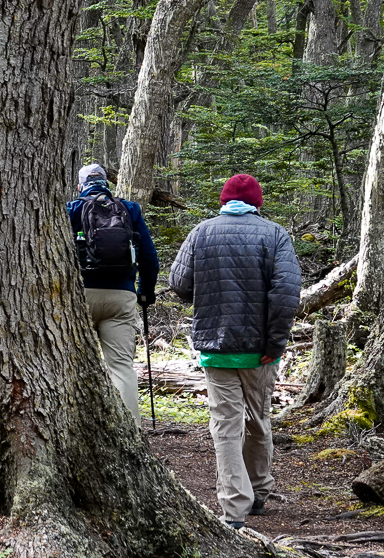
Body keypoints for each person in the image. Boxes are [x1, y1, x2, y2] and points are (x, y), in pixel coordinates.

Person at [169, 174, 301, 529]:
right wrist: (274, 344)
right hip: (260, 350)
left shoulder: (202, 232)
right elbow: (287, 295)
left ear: (224, 201)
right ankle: (258, 491)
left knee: (226, 427)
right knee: (258, 419)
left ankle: (233, 509)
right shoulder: (274, 235)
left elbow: (179, 284)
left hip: (217, 347)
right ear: (258, 203)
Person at [66, 163, 159, 421]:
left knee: (72, 366)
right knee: (121, 368)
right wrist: (145, 292)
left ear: (80, 186)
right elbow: (149, 256)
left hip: (79, 298)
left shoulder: (72, 209)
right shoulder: (129, 209)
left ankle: (77, 429)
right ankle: (132, 433)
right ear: (107, 183)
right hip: (121, 296)